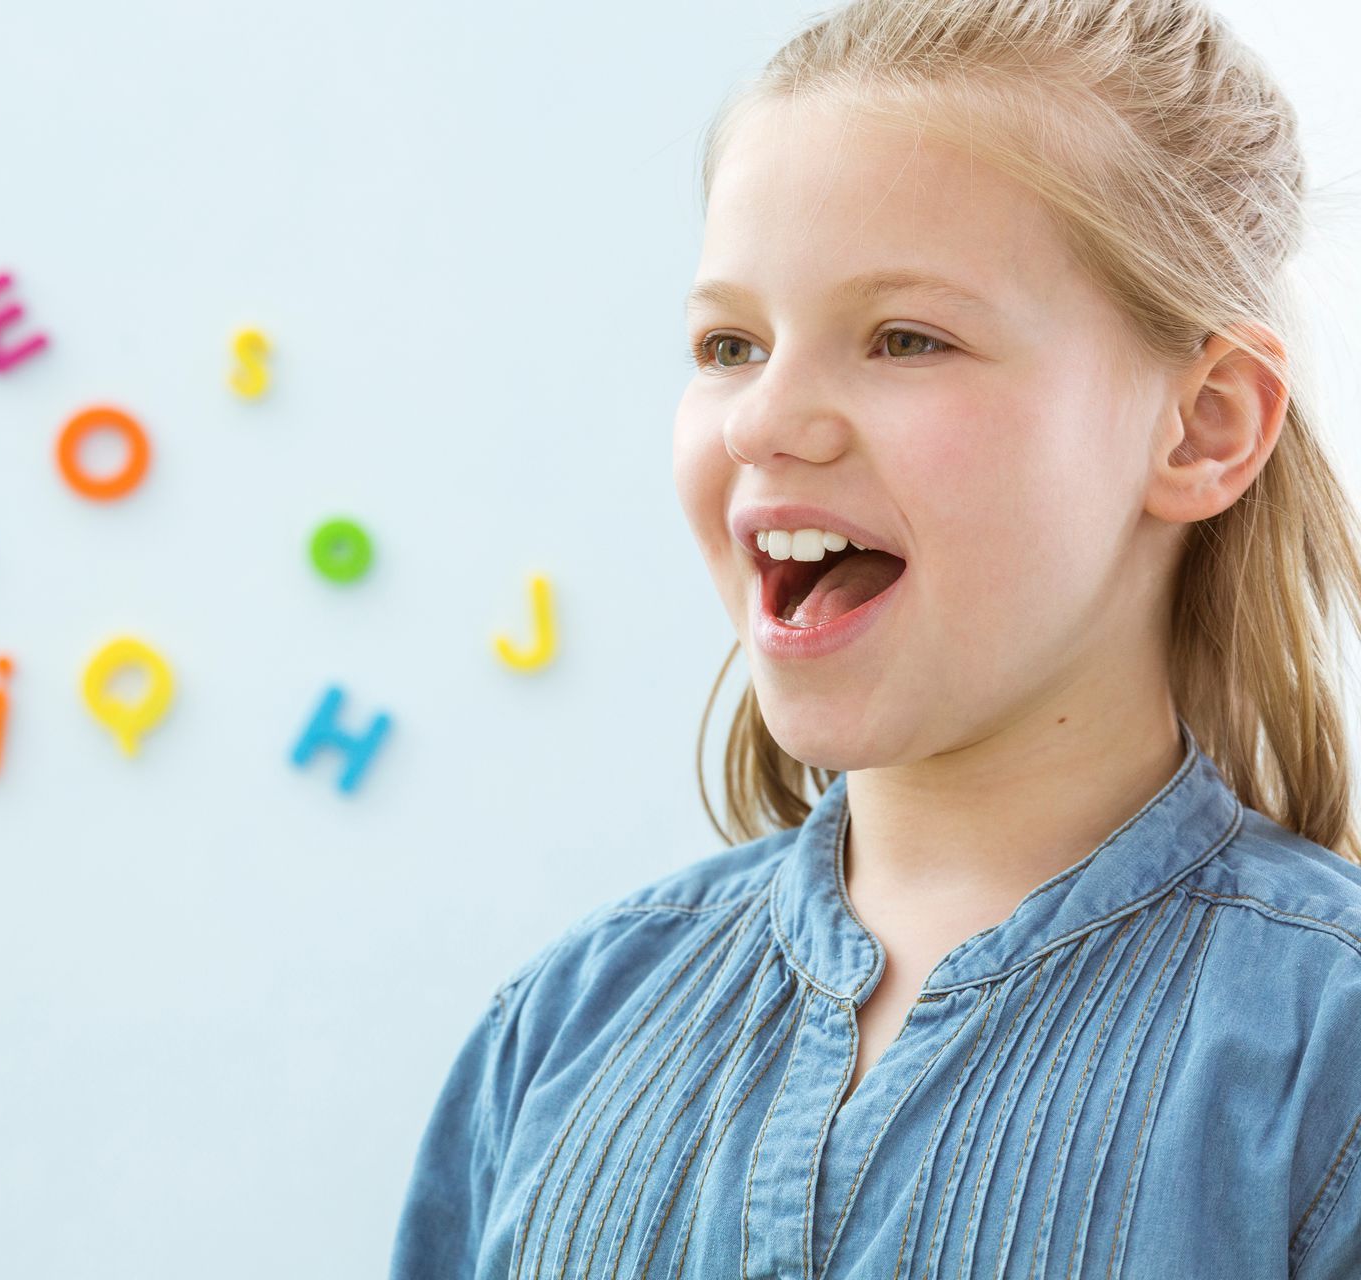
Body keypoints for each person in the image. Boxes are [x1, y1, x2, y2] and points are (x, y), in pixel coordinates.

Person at [388, 1, 1361, 1276]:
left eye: (908, 337)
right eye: (728, 345)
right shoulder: (563, 1025)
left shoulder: (1324, 1061)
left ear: (1204, 427)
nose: (761, 419)